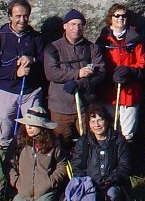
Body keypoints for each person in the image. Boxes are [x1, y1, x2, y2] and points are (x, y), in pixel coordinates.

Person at [0, 0, 45, 161]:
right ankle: (6, 168)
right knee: (5, 129)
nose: (22, 20)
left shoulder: (36, 38)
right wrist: (15, 73)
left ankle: (33, 163)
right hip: (6, 91)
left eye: (25, 16)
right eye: (18, 16)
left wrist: (32, 60)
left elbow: (45, 61)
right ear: (10, 16)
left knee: (35, 127)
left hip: (31, 91)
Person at [44, 9, 106, 145]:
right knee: (60, 143)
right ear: (65, 26)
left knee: (89, 142)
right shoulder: (53, 48)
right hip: (60, 107)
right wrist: (77, 73)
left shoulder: (92, 48)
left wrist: (81, 83)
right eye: (72, 24)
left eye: (80, 25)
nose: (76, 28)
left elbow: (100, 72)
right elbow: (51, 73)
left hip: (86, 106)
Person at [8, 104, 68, 201]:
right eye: (27, 123)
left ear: (42, 126)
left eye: (33, 124)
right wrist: (16, 182)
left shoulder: (54, 144)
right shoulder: (19, 142)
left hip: (45, 193)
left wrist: (50, 182)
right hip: (23, 192)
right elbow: (10, 164)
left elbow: (62, 165)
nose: (28, 127)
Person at [96, 3, 145, 144]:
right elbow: (98, 64)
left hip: (130, 94)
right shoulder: (103, 41)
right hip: (109, 94)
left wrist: (130, 71)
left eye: (124, 16)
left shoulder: (134, 40)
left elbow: (142, 64)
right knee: (109, 130)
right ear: (110, 18)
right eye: (117, 15)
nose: (120, 18)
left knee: (127, 134)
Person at [71, 104, 133, 201]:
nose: (97, 125)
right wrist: (86, 182)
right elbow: (77, 165)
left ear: (107, 120)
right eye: (93, 121)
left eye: (100, 120)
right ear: (88, 124)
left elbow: (124, 165)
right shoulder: (83, 142)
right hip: (89, 185)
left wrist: (109, 180)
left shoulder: (117, 140)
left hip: (112, 184)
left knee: (112, 195)